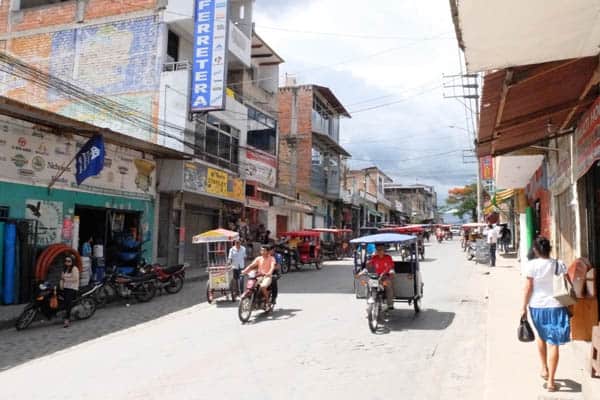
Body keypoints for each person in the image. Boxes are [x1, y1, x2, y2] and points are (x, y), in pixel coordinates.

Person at [521, 237, 570, 393]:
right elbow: (567, 284)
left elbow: (528, 288)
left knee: (541, 336)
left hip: (537, 306)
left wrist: (522, 307)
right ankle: (551, 381)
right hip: (557, 306)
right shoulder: (559, 264)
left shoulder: (531, 265)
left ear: (535, 250)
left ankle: (544, 368)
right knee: (553, 342)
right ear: (549, 249)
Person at [242, 245, 276, 309]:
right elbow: (251, 266)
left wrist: (269, 273)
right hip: (258, 276)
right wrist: (245, 271)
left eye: (264, 250)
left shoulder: (272, 258)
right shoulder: (258, 258)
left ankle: (267, 301)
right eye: (261, 250)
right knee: (251, 286)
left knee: (263, 286)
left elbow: (272, 267)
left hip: (267, 277)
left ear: (268, 252)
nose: (262, 251)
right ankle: (254, 300)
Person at [367, 244, 395, 311]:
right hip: (376, 277)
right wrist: (367, 264)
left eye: (380, 249)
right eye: (377, 250)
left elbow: (390, 266)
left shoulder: (388, 257)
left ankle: (390, 303)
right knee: (368, 285)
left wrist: (387, 272)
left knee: (388, 286)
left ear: (384, 250)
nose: (379, 251)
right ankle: (369, 301)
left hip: (385, 276)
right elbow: (369, 265)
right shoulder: (374, 257)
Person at [60, 255, 79, 328]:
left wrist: (66, 280)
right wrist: (61, 285)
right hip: (65, 287)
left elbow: (75, 279)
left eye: (69, 261)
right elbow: (61, 278)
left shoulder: (75, 269)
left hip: (72, 288)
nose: (67, 262)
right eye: (66, 261)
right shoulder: (64, 269)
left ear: (72, 262)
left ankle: (67, 320)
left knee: (68, 302)